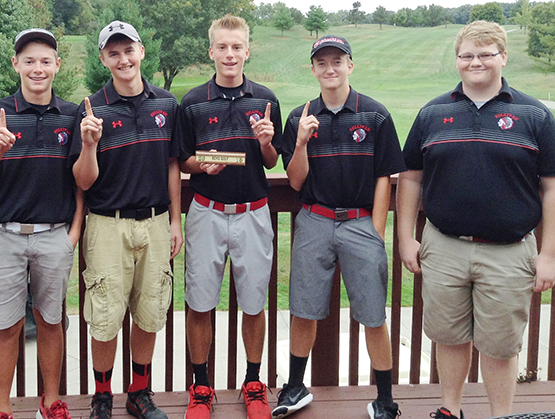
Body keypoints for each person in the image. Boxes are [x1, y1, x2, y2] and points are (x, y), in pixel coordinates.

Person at [396, 20, 555, 419]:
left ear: (503, 57)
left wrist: (549, 254)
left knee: (501, 345)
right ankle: (451, 410)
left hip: (509, 251)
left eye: (485, 54)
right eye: (467, 55)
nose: (475, 62)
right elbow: (411, 179)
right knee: (449, 337)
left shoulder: (534, 114)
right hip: (443, 245)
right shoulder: (433, 112)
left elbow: (551, 188)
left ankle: (500, 415)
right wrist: (404, 238)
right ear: (457, 60)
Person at [273, 35, 406, 419]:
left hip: (360, 222)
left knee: (372, 314)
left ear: (351, 65)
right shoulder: (300, 116)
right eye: (321, 62)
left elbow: (385, 177)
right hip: (314, 219)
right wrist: (300, 143)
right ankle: (297, 387)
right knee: (304, 309)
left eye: (337, 61)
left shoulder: (374, 115)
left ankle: (385, 399)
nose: (329, 69)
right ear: (313, 69)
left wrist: (376, 231)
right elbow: (295, 181)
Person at [70, 21, 183, 419]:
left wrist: (174, 222)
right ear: (103, 59)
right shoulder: (90, 110)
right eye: (113, 53)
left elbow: (173, 165)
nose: (123, 59)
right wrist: (89, 145)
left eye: (129, 50)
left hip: (154, 221)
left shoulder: (167, 104)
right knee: (104, 315)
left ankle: (139, 392)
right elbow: (82, 181)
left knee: (150, 310)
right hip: (105, 223)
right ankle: (103, 396)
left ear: (141, 52)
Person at [0, 28, 83, 419]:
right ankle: (3, 409)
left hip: (54, 236)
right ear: (16, 63)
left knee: (51, 322)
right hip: (4, 236)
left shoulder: (72, 115)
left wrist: (74, 232)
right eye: (29, 60)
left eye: (45, 60)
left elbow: (81, 180)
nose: (38, 68)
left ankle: (50, 402)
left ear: (57, 65)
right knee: (5, 327)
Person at [175, 14, 282, 419]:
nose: (230, 54)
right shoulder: (193, 102)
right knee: (200, 302)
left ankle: (253, 383)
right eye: (222, 47)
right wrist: (204, 164)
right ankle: (201, 387)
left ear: (247, 51)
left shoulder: (265, 99)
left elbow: (272, 163)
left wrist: (268, 144)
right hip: (206, 211)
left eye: (237, 47)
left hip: (254, 212)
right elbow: (184, 160)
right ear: (211, 52)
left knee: (254, 303)